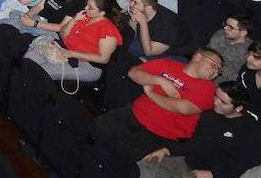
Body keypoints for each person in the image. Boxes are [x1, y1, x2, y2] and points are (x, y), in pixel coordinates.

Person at [134, 80, 261, 178]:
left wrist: (213, 175)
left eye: (223, 102)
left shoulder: (251, 132)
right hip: (189, 164)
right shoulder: (208, 116)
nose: (215, 102)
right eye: (216, 96)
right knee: (144, 168)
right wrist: (167, 150)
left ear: (238, 108)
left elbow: (251, 170)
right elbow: (193, 144)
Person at [93, 48, 223, 169]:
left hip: (158, 134)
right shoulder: (168, 65)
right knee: (93, 131)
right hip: (133, 114)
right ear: (198, 57)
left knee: (113, 158)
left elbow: (183, 108)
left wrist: (151, 93)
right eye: (214, 64)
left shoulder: (209, 89)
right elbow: (134, 72)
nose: (216, 71)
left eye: (219, 70)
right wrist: (161, 81)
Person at [23, 0, 123, 83]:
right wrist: (74, 20)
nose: (85, 8)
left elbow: (103, 59)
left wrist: (70, 53)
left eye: (90, 7)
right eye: (87, 4)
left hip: (87, 65)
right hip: (64, 50)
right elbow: (63, 35)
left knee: (40, 73)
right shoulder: (84, 17)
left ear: (101, 13)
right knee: (27, 60)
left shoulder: (108, 29)